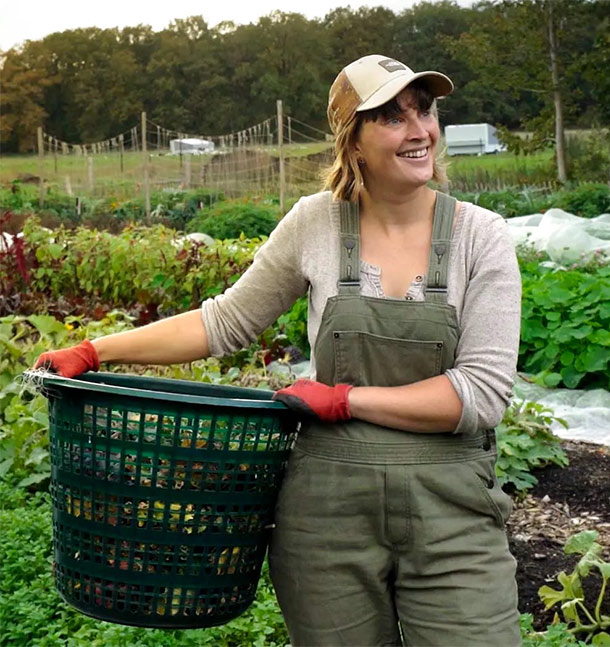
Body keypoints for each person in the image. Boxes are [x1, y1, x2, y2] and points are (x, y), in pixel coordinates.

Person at [34, 54, 522, 645]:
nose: (418, 130)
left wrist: (347, 400)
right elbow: (227, 321)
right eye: (392, 117)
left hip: (453, 513)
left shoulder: (481, 235)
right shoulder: (315, 223)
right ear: (354, 141)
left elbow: (480, 393)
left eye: (424, 110)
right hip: (327, 519)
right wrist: (95, 350)